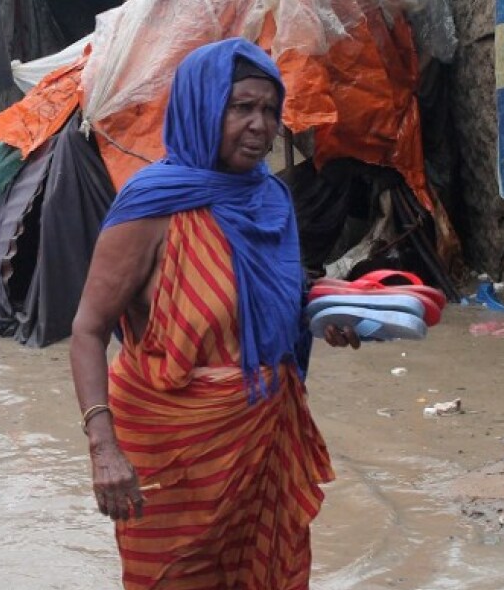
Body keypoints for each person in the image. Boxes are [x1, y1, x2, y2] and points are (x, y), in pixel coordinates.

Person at [70, 38, 360, 590]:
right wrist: (103, 448)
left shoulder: (270, 199)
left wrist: (324, 306)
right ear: (201, 107)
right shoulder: (151, 205)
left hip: (264, 439)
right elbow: (87, 329)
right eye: (241, 107)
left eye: (270, 110)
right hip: (170, 451)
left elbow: (264, 296)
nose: (260, 125)